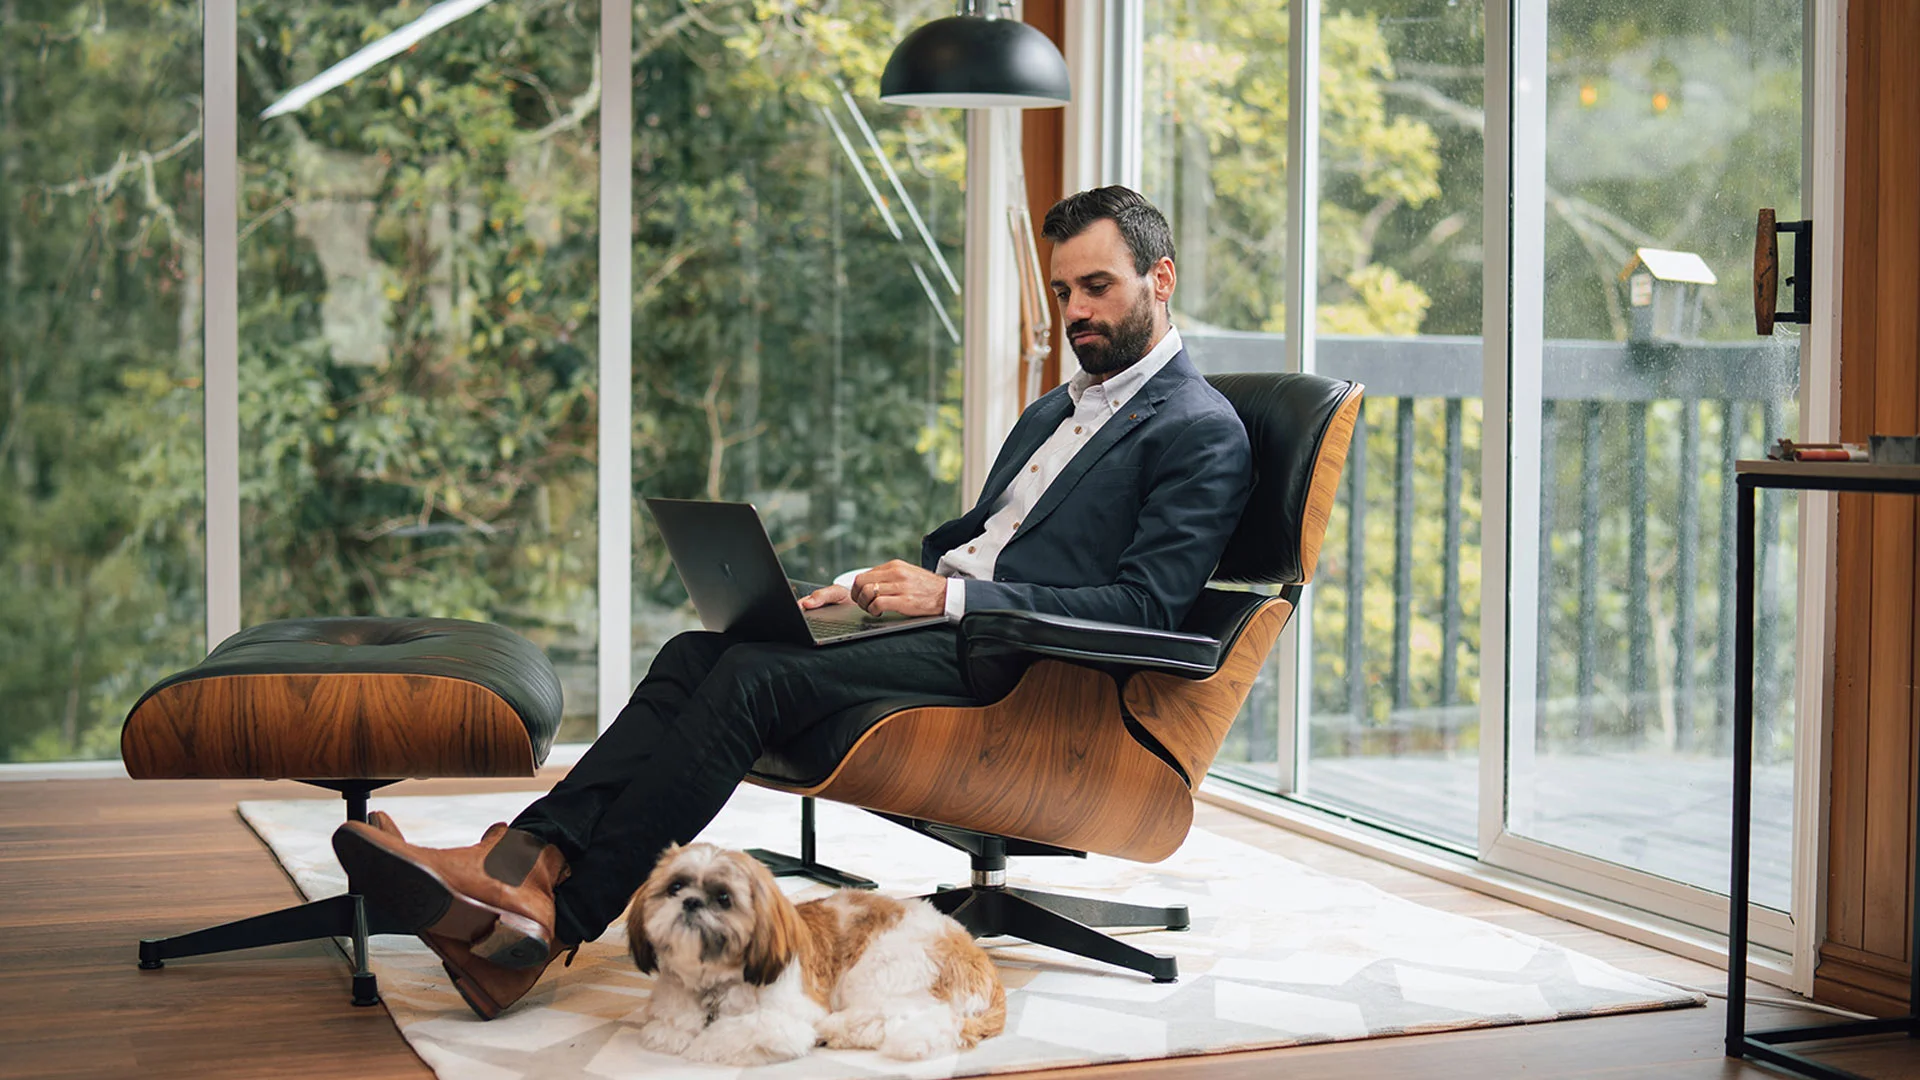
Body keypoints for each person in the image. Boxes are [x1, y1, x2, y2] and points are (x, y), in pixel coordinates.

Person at [332, 185, 1255, 1019]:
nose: (1076, 311)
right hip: (945, 623)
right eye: (1062, 292)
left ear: (1161, 278)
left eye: (1097, 287)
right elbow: (982, 540)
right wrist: (863, 591)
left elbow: (1144, 610)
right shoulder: (1058, 409)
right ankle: (520, 863)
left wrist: (953, 597)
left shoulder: (1199, 429)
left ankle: (552, 924)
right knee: (696, 654)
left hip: (1021, 673)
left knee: (751, 679)